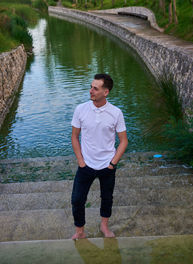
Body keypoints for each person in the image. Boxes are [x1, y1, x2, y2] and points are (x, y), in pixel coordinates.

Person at [71, 73, 128, 240]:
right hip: (86, 165)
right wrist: (81, 161)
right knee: (77, 199)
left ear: (106, 92)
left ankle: (104, 225)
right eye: (91, 87)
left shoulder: (116, 113)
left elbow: (123, 141)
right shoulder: (80, 109)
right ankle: (80, 231)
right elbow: (74, 136)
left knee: (107, 198)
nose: (91, 91)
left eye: (95, 88)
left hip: (107, 165)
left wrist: (113, 163)